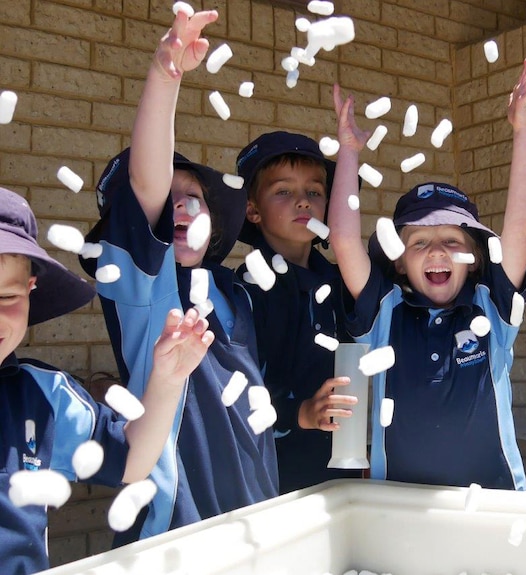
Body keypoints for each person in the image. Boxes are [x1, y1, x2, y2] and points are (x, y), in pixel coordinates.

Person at [80, 9, 277, 543]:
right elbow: (148, 183)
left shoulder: (236, 290)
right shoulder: (140, 284)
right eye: (167, 202)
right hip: (178, 529)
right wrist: (167, 76)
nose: (179, 207)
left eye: (191, 197)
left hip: (255, 521)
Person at [328, 53, 526, 490]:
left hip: (496, 504)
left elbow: (520, 225)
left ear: (476, 257)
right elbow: (345, 241)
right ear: (399, 261)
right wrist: (348, 152)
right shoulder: (384, 313)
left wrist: (523, 128)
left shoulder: (492, 310)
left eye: (452, 241)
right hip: (400, 508)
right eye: (419, 243)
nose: (436, 252)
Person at [0, 186, 213, 574]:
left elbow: (132, 460)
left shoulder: (42, 396)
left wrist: (167, 379)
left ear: (31, 291)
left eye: (6, 297)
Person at [234, 131, 361, 493]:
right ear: (252, 210)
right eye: (284, 191)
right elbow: (238, 395)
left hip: (342, 472)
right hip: (274, 481)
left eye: (315, 192)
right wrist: (300, 413)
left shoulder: (342, 281)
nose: (303, 202)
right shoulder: (243, 292)